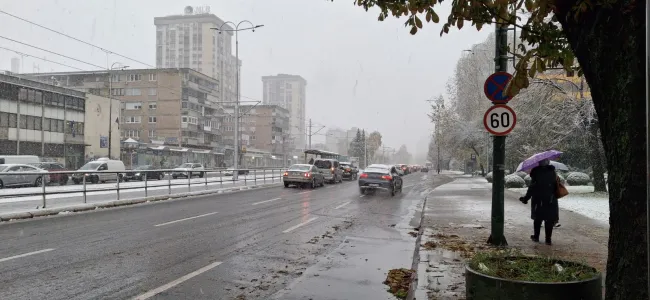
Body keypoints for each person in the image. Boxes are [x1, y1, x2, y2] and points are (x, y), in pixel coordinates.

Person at [519, 159, 559, 245]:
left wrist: (526, 198)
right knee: (549, 219)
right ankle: (548, 239)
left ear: (539, 163)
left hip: (539, 199)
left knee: (538, 218)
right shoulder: (552, 171)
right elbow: (556, 186)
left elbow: (532, 188)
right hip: (551, 199)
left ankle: (536, 237)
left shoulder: (536, 172)